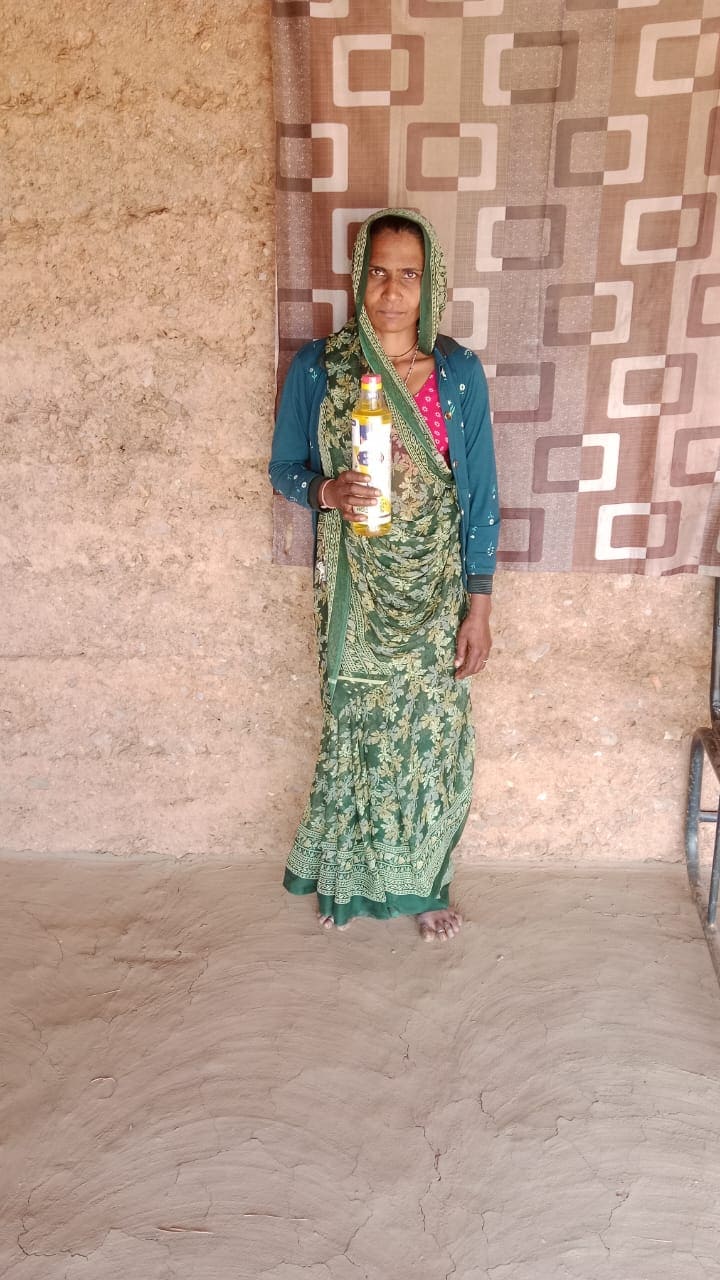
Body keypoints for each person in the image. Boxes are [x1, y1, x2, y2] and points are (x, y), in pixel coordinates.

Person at [269, 208, 499, 942]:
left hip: (435, 588)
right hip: (353, 585)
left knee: (430, 736)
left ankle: (424, 886)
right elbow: (283, 468)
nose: (392, 291)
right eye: (377, 272)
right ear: (357, 277)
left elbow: (482, 496)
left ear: (430, 283)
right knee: (358, 727)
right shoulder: (321, 367)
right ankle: (348, 880)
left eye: (408, 274)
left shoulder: (458, 374)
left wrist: (479, 606)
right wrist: (325, 491)